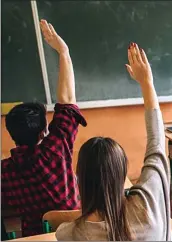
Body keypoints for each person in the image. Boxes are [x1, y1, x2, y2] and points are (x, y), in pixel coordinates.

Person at [56, 42, 170, 240]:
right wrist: (147, 83)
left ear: (79, 178)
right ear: (123, 172)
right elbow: (157, 143)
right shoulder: (147, 209)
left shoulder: (68, 234)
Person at [1, 20, 87, 237]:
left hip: (35, 237)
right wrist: (63, 52)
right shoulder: (55, 150)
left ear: (12, 135)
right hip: (73, 235)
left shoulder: (5, 172)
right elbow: (67, 100)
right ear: (43, 132)